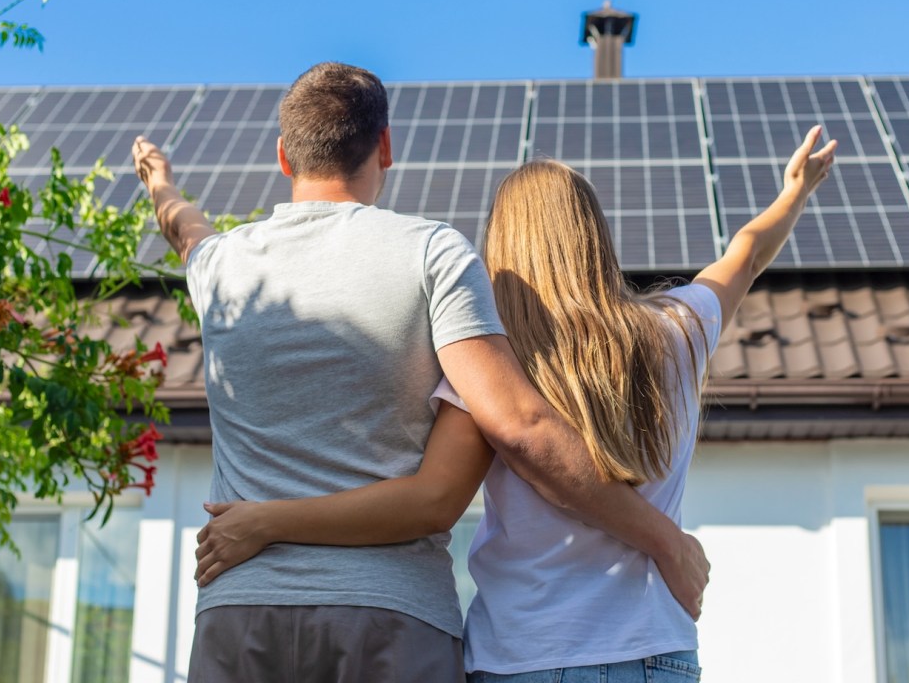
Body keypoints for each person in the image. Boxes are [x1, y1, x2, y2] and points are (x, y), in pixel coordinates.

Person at [193, 121, 837, 681]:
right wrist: (795, 194)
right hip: (656, 647)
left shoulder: (489, 374)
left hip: (520, 654)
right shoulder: (678, 333)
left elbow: (435, 494)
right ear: (595, 236)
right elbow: (745, 257)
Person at [131, 61, 710, 683]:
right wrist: (664, 538)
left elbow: (185, 228)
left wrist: (161, 184)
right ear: (384, 146)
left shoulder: (220, 265)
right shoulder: (432, 252)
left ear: (283, 156)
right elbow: (516, 426)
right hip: (388, 619)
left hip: (239, 612)